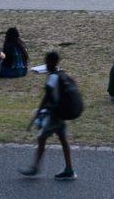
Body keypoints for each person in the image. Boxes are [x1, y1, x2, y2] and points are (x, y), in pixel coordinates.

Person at [21, 51, 76, 179]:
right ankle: (69, 169)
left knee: (42, 138)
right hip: (61, 112)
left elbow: (46, 98)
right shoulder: (61, 73)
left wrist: (37, 114)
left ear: (49, 62)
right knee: (63, 139)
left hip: (54, 114)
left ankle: (35, 168)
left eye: (46, 61)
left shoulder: (52, 77)